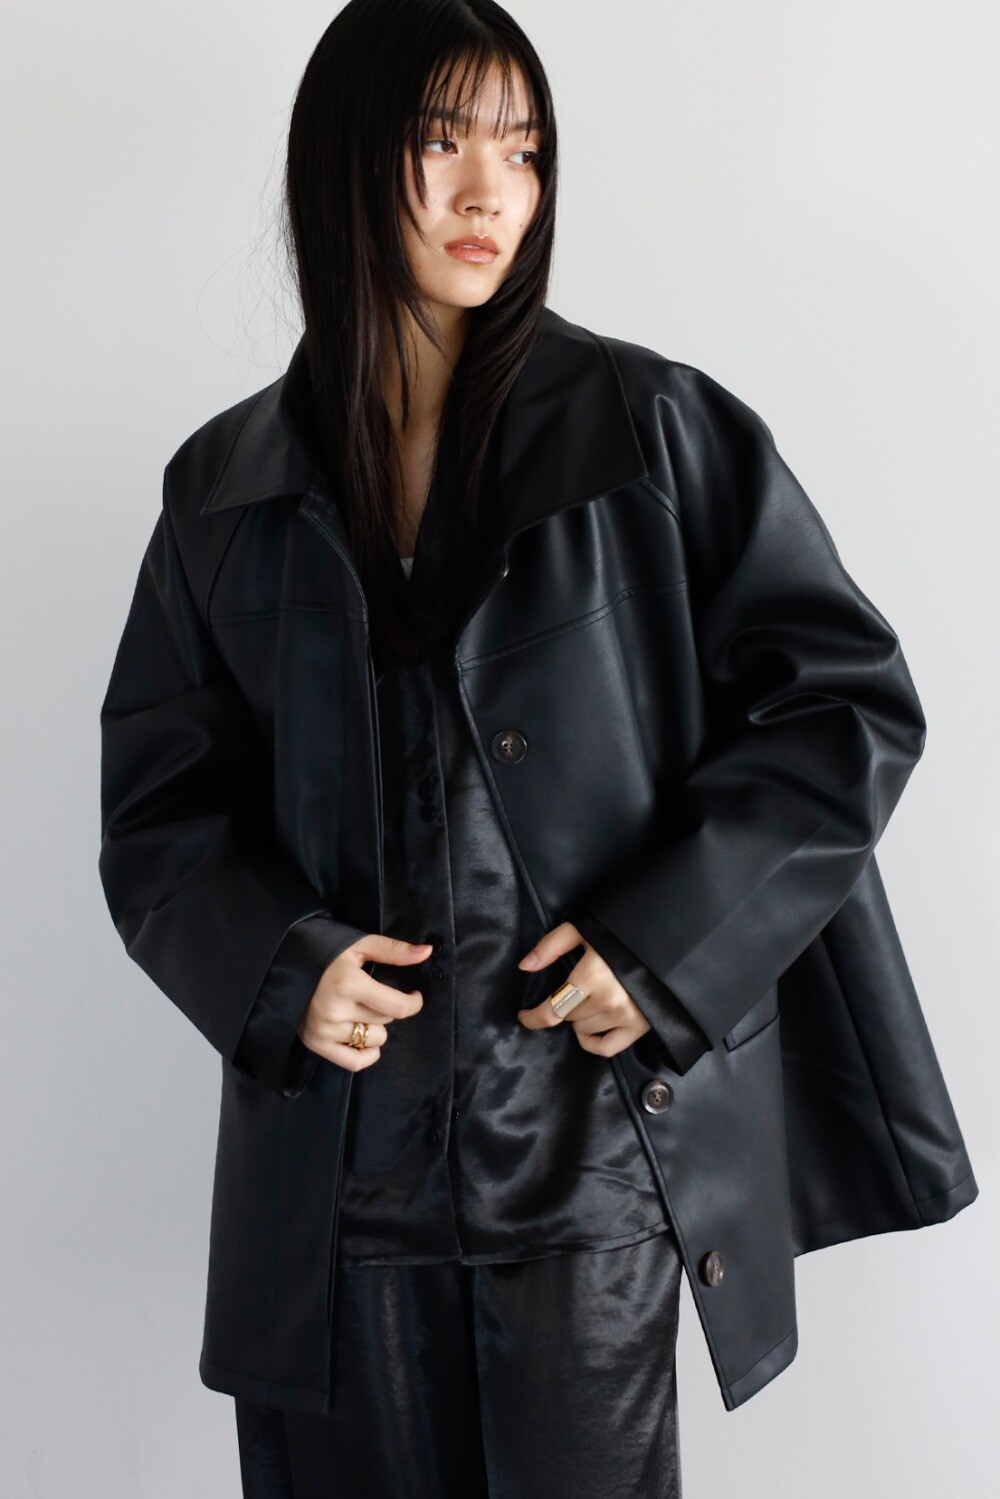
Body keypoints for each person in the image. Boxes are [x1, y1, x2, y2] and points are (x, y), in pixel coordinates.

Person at [98, 3, 977, 1497]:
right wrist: (280, 966)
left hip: (588, 1174)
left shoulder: (656, 433)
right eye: (440, 140)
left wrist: (666, 949)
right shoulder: (223, 490)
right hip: (337, 1195)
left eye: (522, 149)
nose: (487, 191)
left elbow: (846, 707)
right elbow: (159, 812)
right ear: (343, 161)